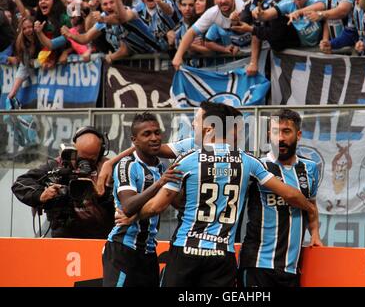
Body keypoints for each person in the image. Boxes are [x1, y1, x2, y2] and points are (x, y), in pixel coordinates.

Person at [136, 101, 318, 287]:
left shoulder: (188, 159)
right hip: (222, 255)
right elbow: (291, 194)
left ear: (211, 128)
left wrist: (132, 215)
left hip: (186, 250)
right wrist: (309, 208)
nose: (193, 126)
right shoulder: (248, 162)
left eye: (198, 122)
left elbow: (155, 207)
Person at [238, 109, 322, 287]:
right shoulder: (257, 166)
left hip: (291, 268)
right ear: (269, 135)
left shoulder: (310, 168)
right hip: (258, 263)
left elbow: (312, 205)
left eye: (286, 131)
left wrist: (314, 233)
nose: (281, 138)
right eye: (276, 132)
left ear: (298, 135)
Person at [103, 112, 182, 287]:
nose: (154, 138)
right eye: (147, 134)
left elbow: (178, 204)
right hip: (123, 249)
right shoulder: (127, 165)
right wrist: (160, 183)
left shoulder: (162, 167)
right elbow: (128, 206)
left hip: (148, 251)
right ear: (134, 140)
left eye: (157, 132)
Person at [11, 127, 115, 239]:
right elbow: (20, 183)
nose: (85, 164)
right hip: (64, 234)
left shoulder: (109, 167)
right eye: (81, 158)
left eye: (91, 159)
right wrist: (41, 195)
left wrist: (103, 195)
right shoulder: (57, 165)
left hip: (101, 236)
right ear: (73, 150)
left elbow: (125, 201)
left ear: (100, 153)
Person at [172, 0, 245, 70]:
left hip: (253, 57)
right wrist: (178, 55)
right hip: (229, 66)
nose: (223, 1)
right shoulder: (211, 13)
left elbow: (257, 31)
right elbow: (191, 33)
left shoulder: (243, 7)